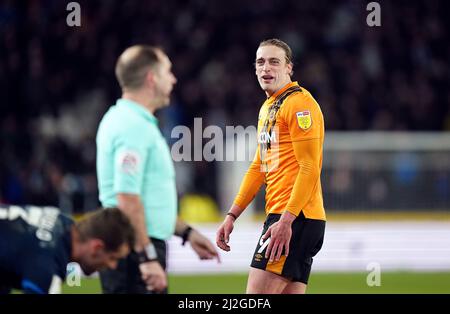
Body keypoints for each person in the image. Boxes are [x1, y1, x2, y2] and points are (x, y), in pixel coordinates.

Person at [96, 45, 219, 294]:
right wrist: (147, 258)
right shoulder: (133, 126)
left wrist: (187, 233)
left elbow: (144, 202)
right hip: (132, 254)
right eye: (168, 72)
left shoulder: (128, 120)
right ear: (152, 78)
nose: (173, 79)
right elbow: (127, 199)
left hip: (132, 248)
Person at [216, 38, 326, 294]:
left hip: (293, 217)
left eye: (274, 62)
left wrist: (287, 221)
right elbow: (259, 167)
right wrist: (232, 215)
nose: (267, 68)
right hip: (293, 218)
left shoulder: (299, 104)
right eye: (260, 62)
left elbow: (309, 167)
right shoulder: (269, 107)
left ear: (289, 68)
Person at [0, 205, 135, 294]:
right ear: (97, 247)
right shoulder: (47, 266)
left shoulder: (62, 221)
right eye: (113, 258)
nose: (113, 266)